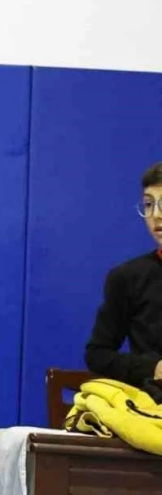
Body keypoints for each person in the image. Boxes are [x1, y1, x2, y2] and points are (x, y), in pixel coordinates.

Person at [85, 161, 162, 390]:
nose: (156, 215)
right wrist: (153, 368)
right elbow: (97, 354)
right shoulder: (128, 277)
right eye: (148, 204)